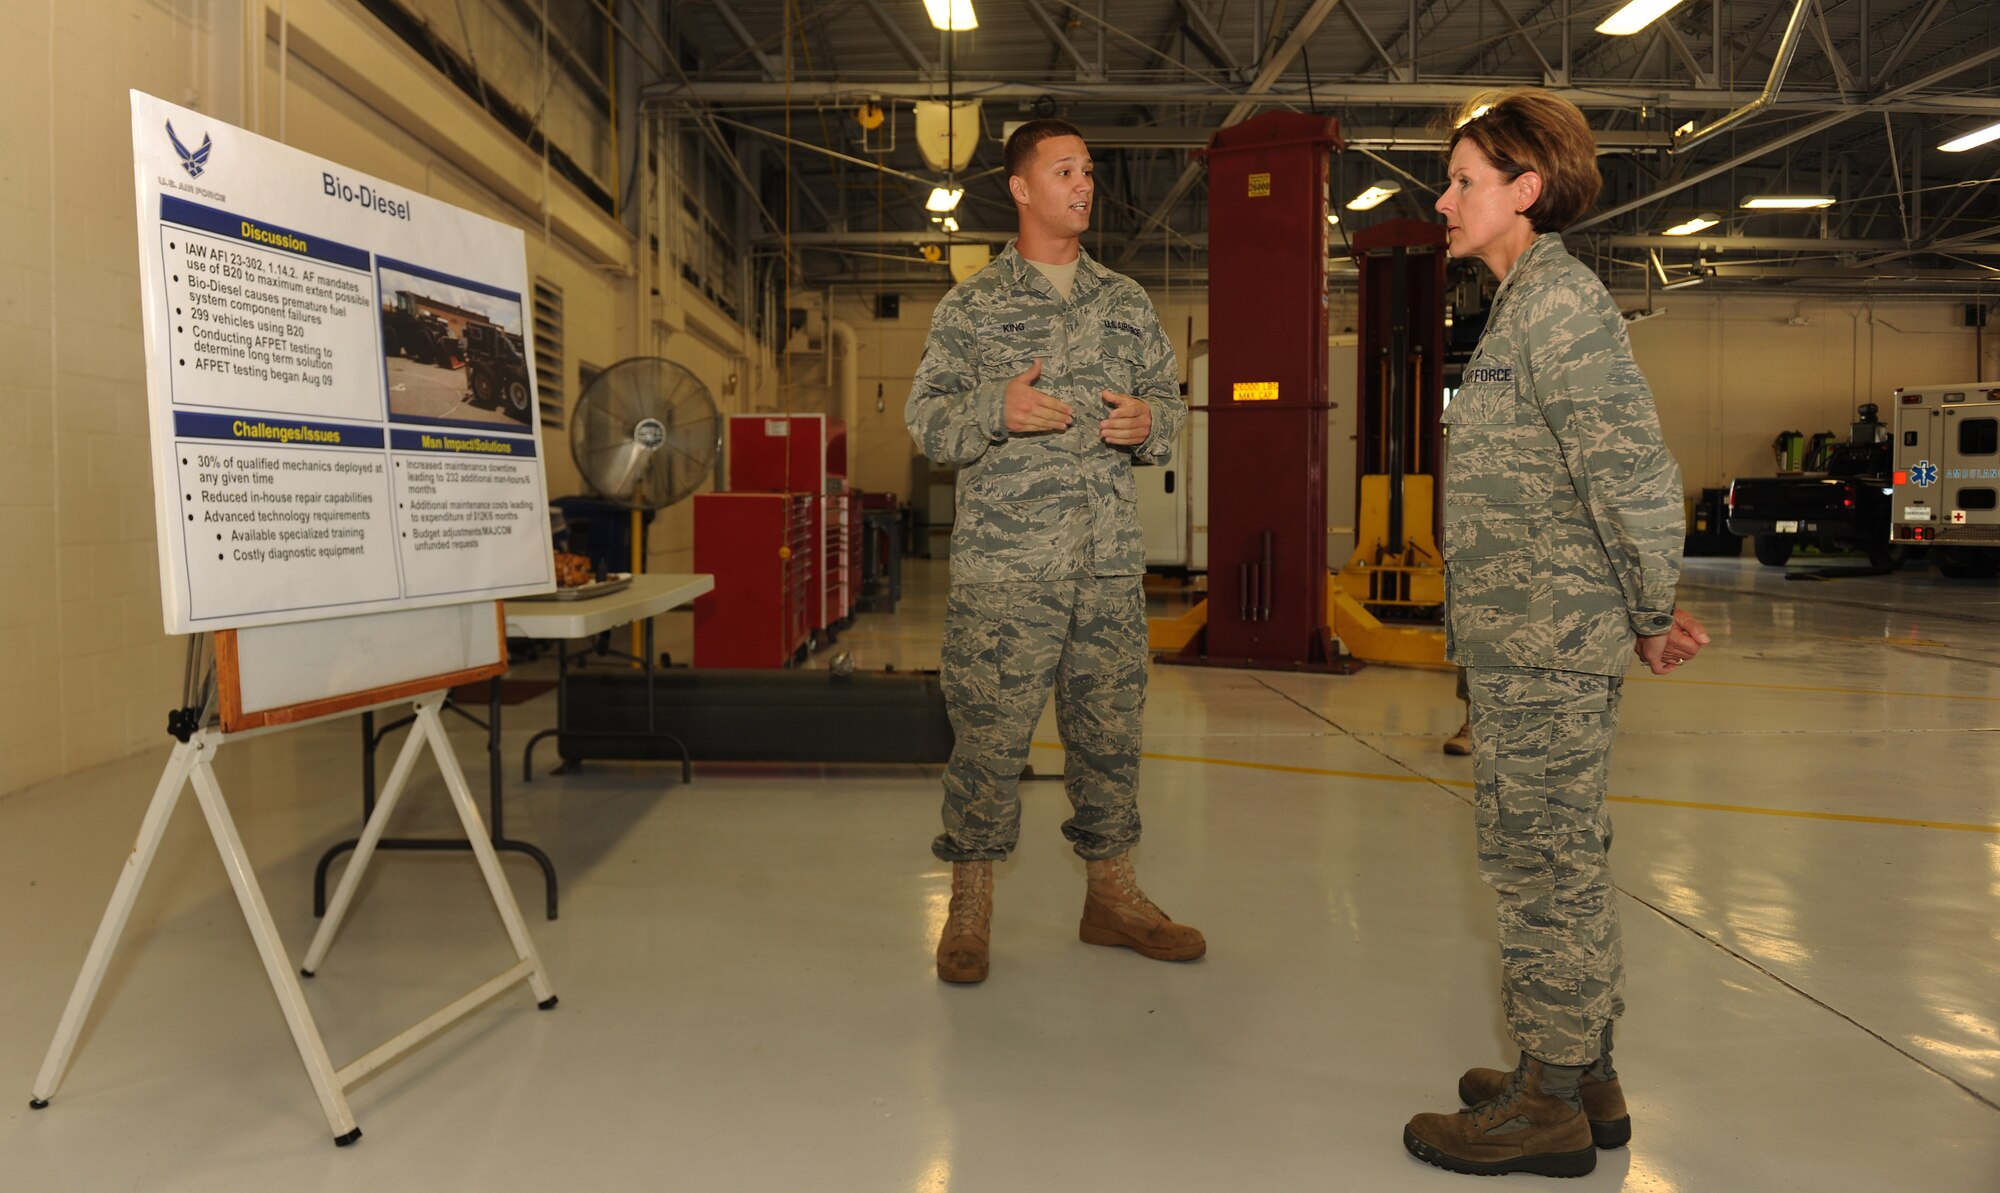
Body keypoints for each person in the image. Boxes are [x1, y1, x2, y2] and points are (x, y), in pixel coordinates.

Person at [1403, 89, 1712, 1178]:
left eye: (1462, 182)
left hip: (1546, 640)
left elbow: (1625, 468)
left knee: (1540, 865)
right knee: (1559, 856)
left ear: (1523, 191)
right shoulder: (1515, 306)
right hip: (1522, 634)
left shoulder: (1558, 307)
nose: (1443, 201)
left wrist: (1645, 607)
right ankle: (1582, 1066)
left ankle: (1546, 1099)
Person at [904, 119, 1204, 985]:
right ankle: (969, 903)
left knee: (1110, 737)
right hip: (1007, 571)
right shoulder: (973, 306)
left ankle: (1111, 895)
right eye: (1066, 170)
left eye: (1091, 170)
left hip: (1108, 566)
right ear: (1023, 189)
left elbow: (1167, 408)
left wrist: (1152, 425)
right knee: (989, 742)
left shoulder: (1126, 302)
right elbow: (929, 420)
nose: (1085, 185)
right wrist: (995, 406)